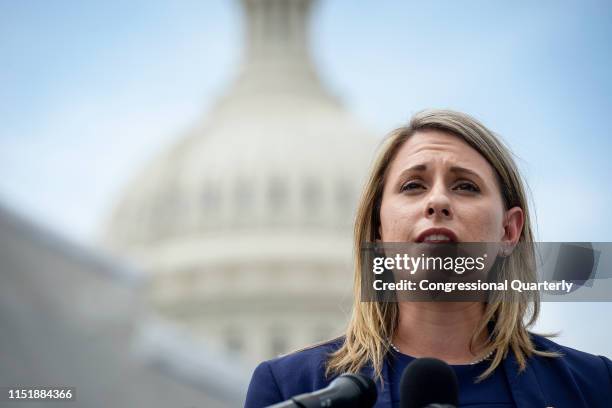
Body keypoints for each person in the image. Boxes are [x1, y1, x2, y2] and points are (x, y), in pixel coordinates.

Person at [244, 109, 612, 407]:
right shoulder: (293, 388)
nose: (437, 201)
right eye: (413, 186)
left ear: (509, 231)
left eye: (465, 186)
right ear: (378, 231)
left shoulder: (593, 386)